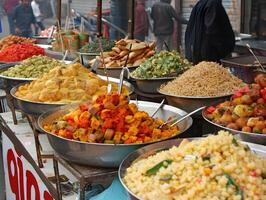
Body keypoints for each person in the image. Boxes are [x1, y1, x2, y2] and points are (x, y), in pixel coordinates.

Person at [185, 0, 235, 64]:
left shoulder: (201, 3)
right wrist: (223, 49)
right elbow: (212, 31)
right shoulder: (213, 4)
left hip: (200, 54)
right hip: (210, 55)